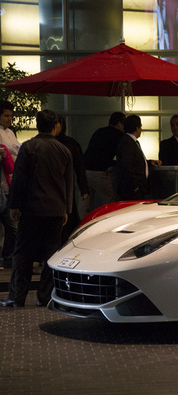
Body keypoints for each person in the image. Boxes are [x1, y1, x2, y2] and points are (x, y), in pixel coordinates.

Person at [0, 109, 73, 308]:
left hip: (32, 209)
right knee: (51, 254)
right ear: (56, 126)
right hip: (56, 210)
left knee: (23, 253)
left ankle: (17, 296)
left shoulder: (29, 147)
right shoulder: (64, 150)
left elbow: (19, 178)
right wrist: (67, 209)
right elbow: (68, 183)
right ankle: (45, 296)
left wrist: (14, 205)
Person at [56, 115, 90, 243]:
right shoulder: (48, 143)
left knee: (69, 218)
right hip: (57, 187)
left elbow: (79, 166)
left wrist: (83, 188)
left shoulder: (70, 144)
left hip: (67, 186)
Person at [83, 111, 125, 211]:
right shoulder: (118, 135)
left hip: (85, 170)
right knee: (110, 201)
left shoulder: (99, 131)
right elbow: (123, 156)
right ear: (119, 123)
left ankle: (80, 224)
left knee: (84, 202)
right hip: (99, 171)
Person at [116, 114, 161, 200]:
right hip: (132, 190)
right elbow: (127, 166)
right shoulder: (127, 143)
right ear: (137, 128)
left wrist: (149, 162)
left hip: (136, 187)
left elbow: (135, 161)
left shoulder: (132, 142)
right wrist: (135, 186)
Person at [0, 101, 18, 271]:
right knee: (11, 226)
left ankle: (7, 256)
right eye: (6, 115)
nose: (9, 119)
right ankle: (7, 256)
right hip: (3, 181)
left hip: (9, 180)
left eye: (11, 116)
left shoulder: (10, 132)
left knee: (11, 226)